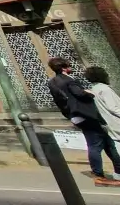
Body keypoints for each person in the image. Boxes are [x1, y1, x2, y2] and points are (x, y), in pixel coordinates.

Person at [48, 57, 120, 185]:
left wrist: (69, 115)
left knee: (107, 143)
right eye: (69, 66)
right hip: (86, 115)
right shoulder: (68, 81)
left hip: (75, 115)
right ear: (64, 68)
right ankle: (98, 174)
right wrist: (89, 93)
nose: (70, 68)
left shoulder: (53, 82)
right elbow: (79, 94)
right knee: (96, 145)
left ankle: (116, 171)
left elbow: (60, 100)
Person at [87, 66, 120, 143]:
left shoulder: (93, 89)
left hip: (109, 125)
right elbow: (114, 108)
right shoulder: (105, 89)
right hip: (116, 122)